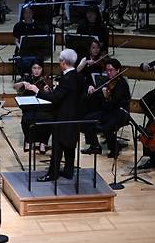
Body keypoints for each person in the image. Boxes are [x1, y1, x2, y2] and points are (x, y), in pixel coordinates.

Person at [26, 49, 83, 181]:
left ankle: (52, 174)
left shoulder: (66, 79)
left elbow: (56, 98)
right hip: (75, 117)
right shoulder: (79, 77)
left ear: (63, 62)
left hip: (62, 117)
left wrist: (37, 91)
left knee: (58, 146)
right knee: (70, 145)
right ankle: (68, 171)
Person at [81, 58, 131, 158]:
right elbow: (102, 98)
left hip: (120, 113)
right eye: (107, 70)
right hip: (109, 112)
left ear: (118, 70)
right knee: (86, 120)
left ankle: (114, 147)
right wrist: (94, 90)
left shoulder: (122, 84)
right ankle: (95, 146)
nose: (108, 72)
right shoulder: (108, 81)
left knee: (106, 128)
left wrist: (107, 97)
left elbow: (115, 103)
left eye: (111, 70)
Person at [14, 60, 52, 153]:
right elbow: (15, 86)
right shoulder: (27, 78)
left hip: (42, 107)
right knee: (26, 119)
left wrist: (47, 91)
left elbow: (51, 94)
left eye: (39, 68)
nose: (36, 71)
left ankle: (43, 142)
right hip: (29, 106)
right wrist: (22, 84)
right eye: (34, 68)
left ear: (42, 69)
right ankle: (28, 140)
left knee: (49, 119)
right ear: (31, 69)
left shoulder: (46, 79)